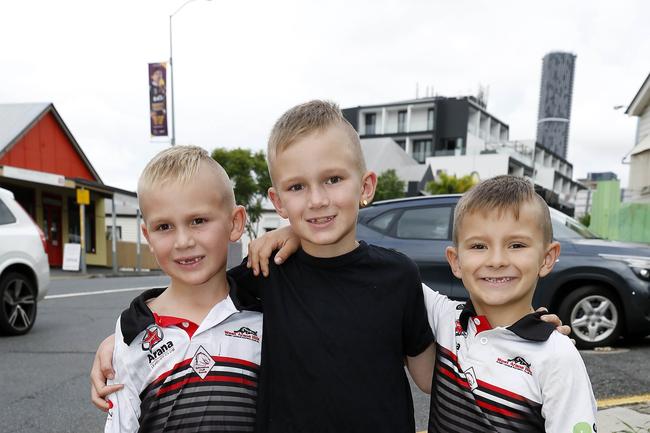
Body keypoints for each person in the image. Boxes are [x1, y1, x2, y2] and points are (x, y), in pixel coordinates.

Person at [103, 146, 263, 432]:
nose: (183, 241)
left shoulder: (264, 315)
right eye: (164, 226)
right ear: (147, 236)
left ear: (235, 222)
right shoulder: (132, 330)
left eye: (198, 221)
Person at [425, 175, 596, 432]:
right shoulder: (444, 317)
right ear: (456, 261)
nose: (496, 260)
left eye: (516, 245)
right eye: (479, 245)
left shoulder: (558, 357)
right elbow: (377, 272)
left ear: (547, 258)